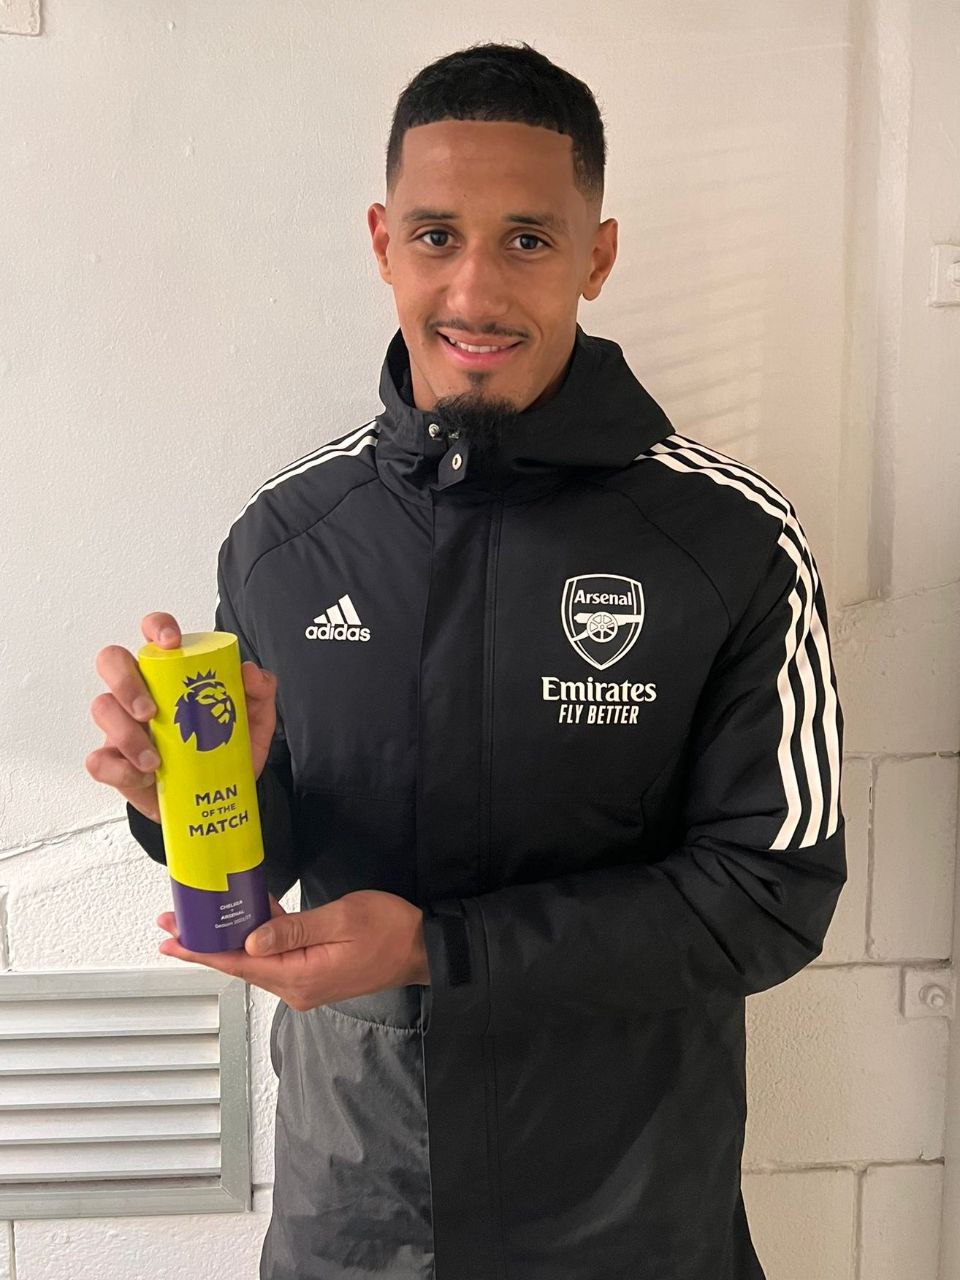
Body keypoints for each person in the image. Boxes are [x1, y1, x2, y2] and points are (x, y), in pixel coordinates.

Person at [87, 40, 846, 1280]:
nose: (475, 290)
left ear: (597, 255)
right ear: (382, 241)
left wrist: (439, 948)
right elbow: (268, 857)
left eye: (528, 239)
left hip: (632, 1220)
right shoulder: (287, 539)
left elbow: (771, 893)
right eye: (436, 235)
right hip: (359, 1213)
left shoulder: (731, 542)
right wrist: (182, 798)